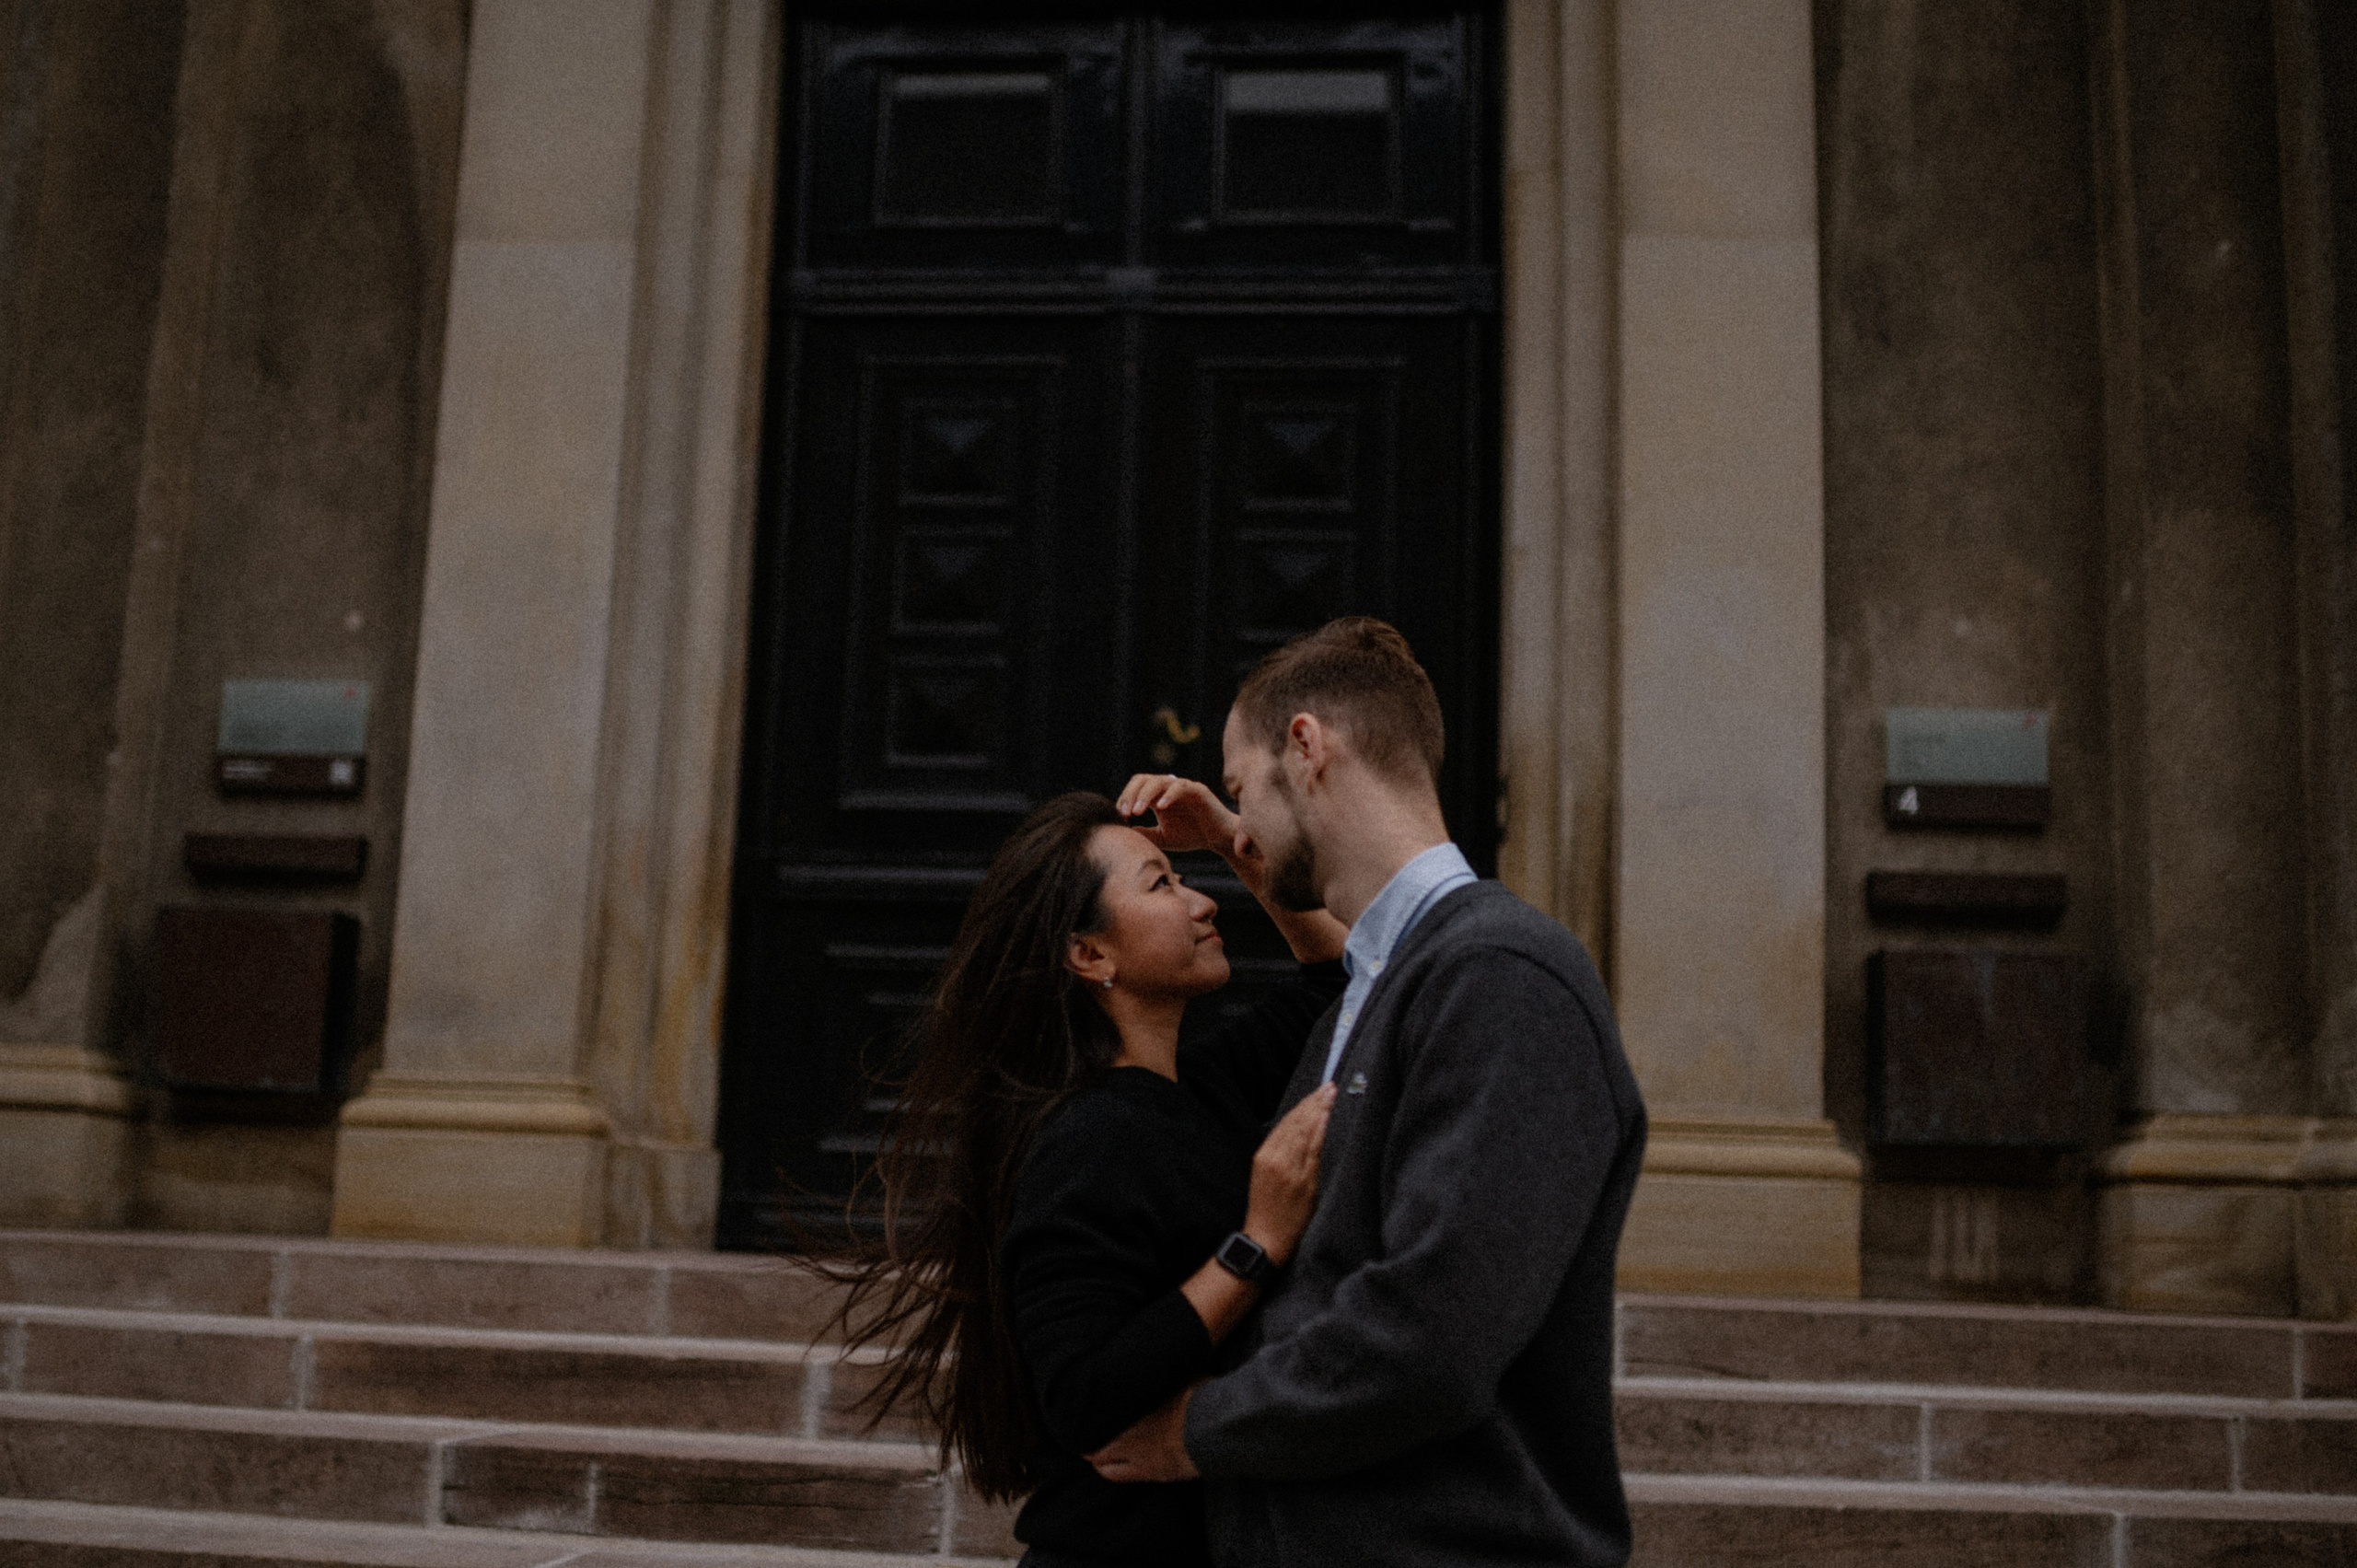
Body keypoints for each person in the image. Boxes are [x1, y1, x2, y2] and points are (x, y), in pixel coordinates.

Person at [1087, 617, 1650, 1568]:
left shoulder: (1504, 975)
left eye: (1239, 791)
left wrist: (1199, 1426)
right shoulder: (1379, 987)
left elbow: (1434, 1329)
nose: (1240, 832)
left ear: (1307, 746)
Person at [829, 784, 1351, 1568]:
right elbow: (1081, 1394)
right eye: (1162, 884)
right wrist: (1256, 1245)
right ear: (1090, 954)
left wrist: (1233, 843)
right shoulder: (1087, 1140)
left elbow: (1342, 982)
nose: (1200, 903)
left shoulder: (1201, 1088)